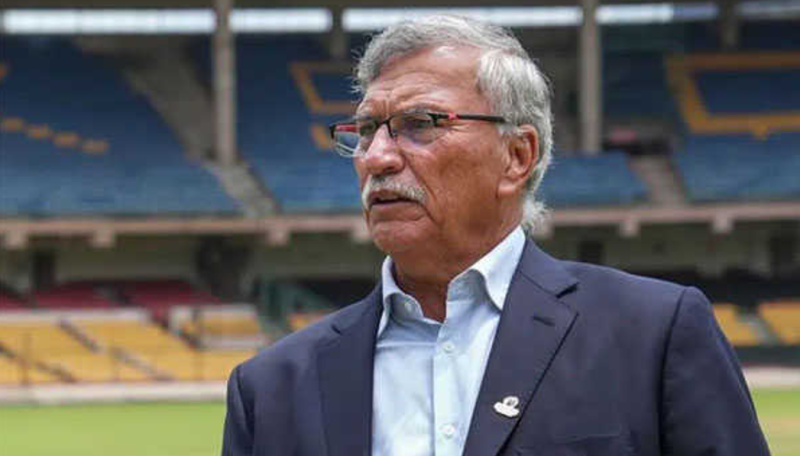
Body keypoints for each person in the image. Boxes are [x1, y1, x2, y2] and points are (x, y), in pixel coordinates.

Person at [222, 15, 770, 456]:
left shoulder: (655, 335)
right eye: (366, 131)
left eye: (421, 124)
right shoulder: (270, 388)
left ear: (517, 156)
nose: (378, 157)